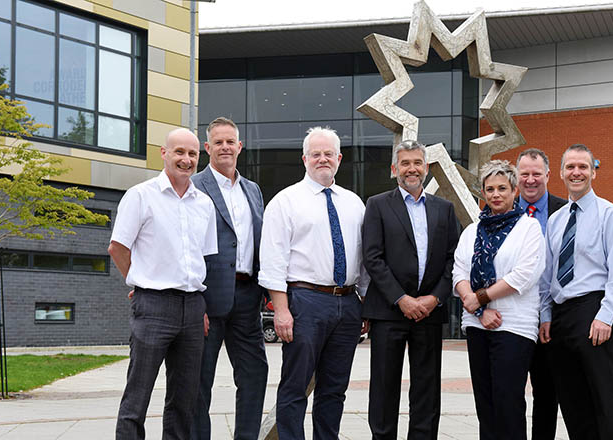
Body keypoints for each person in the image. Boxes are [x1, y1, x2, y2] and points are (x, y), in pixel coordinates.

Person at [258, 126, 369, 440]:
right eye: (316, 154)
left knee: (334, 388)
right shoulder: (286, 201)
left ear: (339, 158)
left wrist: (363, 303)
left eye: (329, 154)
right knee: (295, 385)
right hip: (305, 302)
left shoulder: (354, 204)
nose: (323, 159)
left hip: (347, 303)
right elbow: (272, 260)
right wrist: (281, 310)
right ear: (304, 158)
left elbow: (363, 260)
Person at [109, 128, 218, 439]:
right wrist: (138, 279)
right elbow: (118, 248)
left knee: (184, 401)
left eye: (192, 154)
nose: (186, 159)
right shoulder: (141, 196)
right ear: (164, 153)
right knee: (137, 397)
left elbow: (201, 260)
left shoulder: (204, 204)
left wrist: (202, 308)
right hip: (153, 305)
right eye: (179, 152)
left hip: (194, 308)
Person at [362, 140, 460, 440]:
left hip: (428, 313)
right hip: (389, 312)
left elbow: (452, 260)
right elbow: (373, 257)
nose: (412, 168)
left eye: (417, 162)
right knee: (383, 387)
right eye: (405, 163)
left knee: (427, 389)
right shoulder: (377, 204)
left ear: (426, 168)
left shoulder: (444, 209)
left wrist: (434, 298)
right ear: (395, 169)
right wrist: (401, 299)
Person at [538, 144, 613, 440]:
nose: (576, 173)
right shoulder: (556, 220)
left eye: (582, 167)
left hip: (593, 312)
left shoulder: (609, 214)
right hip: (561, 315)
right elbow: (547, 274)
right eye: (570, 167)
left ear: (593, 172)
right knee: (572, 398)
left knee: (604, 397)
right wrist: (546, 314)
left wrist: (605, 316)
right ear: (561, 174)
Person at [453, 160, 546, 440]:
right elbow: (459, 269)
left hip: (514, 325)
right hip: (478, 324)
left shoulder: (528, 228)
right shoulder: (472, 231)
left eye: (502, 188)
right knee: (486, 402)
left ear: (515, 190)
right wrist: (479, 308)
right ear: (483, 193)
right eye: (490, 189)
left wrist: (478, 298)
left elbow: (524, 276)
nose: (496, 194)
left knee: (508, 401)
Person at [191, 117, 269, 440]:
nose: (225, 147)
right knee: (198, 382)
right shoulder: (194, 186)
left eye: (230, 142)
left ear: (240, 146)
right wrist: (196, 301)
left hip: (248, 297)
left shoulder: (253, 190)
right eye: (218, 142)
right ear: (208, 148)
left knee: (255, 374)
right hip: (207, 299)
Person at [515, 148, 566, 440]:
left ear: (548, 175)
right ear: (516, 176)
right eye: (525, 174)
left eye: (537, 174)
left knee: (547, 394)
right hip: (513, 316)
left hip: (553, 319)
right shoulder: (502, 211)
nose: (531, 180)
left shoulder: (565, 210)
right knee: (511, 392)